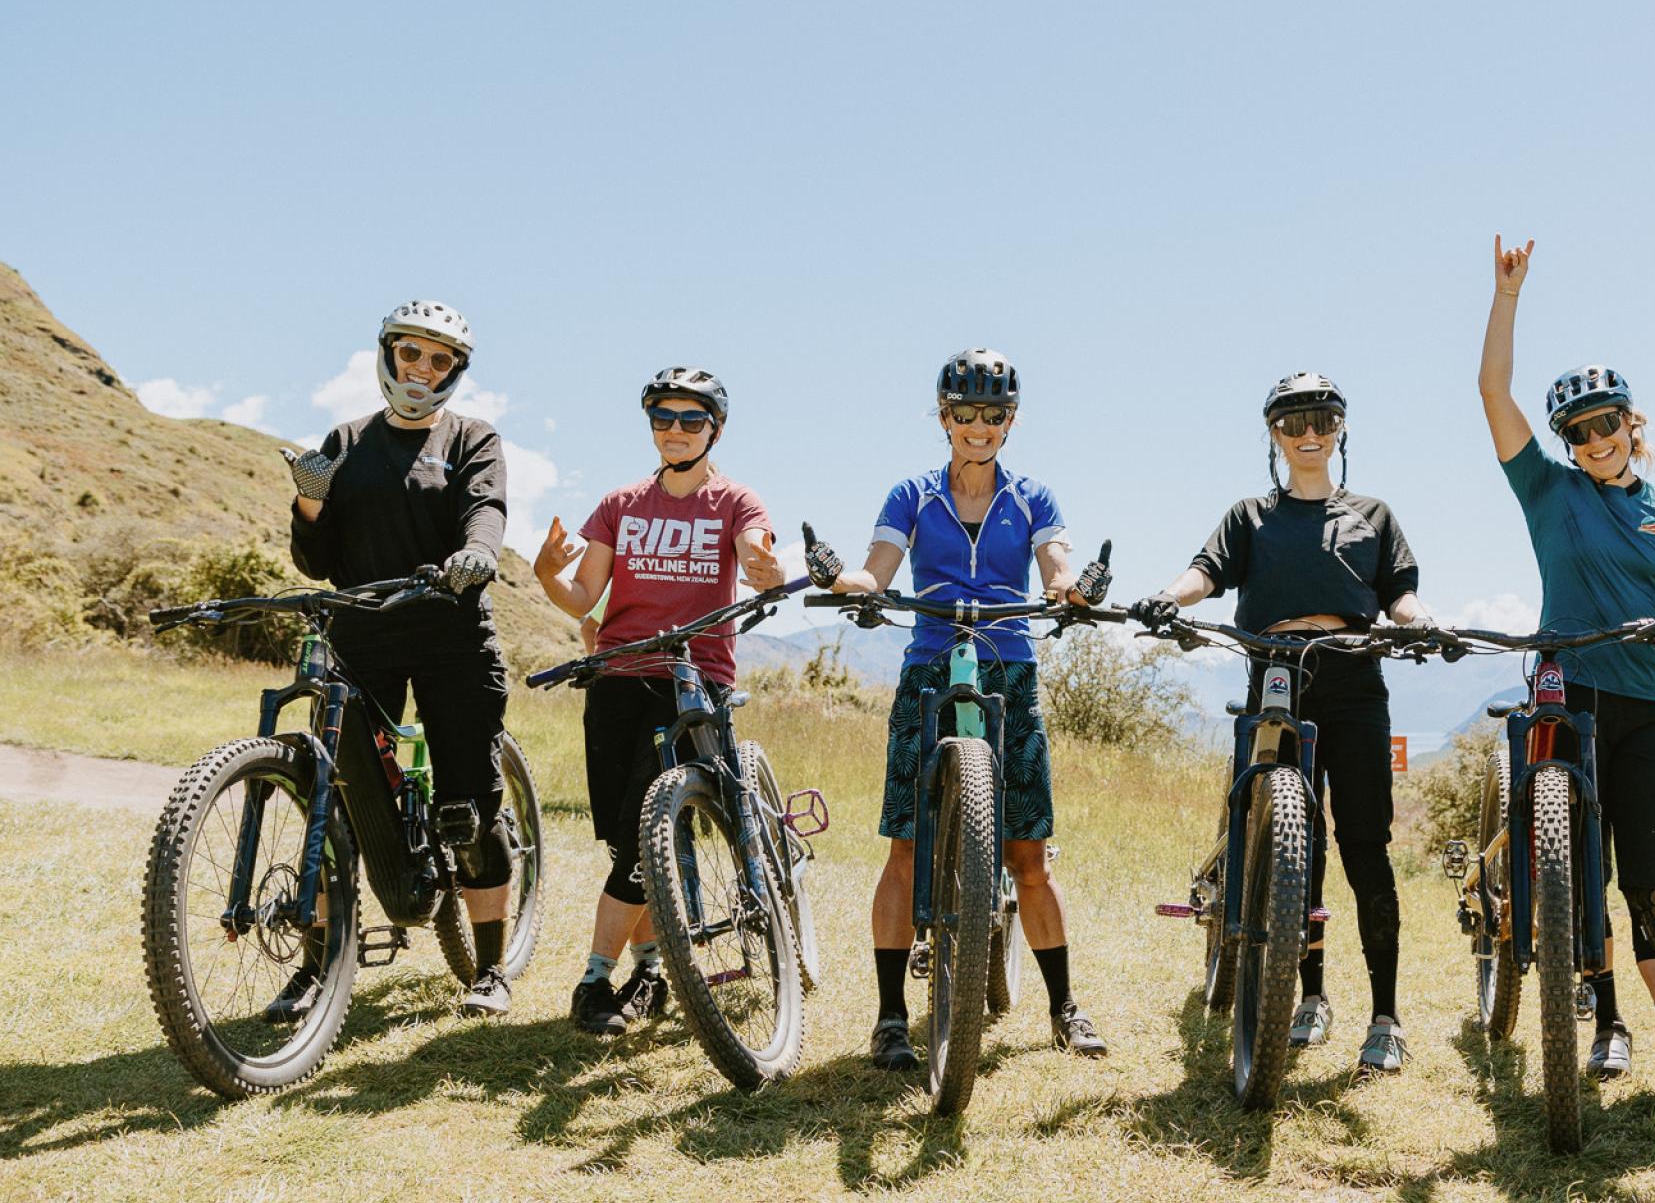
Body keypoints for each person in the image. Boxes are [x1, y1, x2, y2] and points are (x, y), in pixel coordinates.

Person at [1477, 238, 1655, 1110]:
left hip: (1650, 707)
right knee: (1575, 873)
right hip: (1569, 693)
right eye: (1578, 431)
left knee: (1652, 890)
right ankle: (1607, 1023)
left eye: (1606, 423)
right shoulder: (1549, 489)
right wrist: (1508, 297)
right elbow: (1492, 396)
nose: (1593, 439)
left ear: (1633, 422)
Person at [1130, 372, 1429, 1077]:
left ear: (1340, 427)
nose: (1308, 434)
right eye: (1292, 423)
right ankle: (1312, 999)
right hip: (1274, 676)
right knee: (1300, 844)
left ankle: (1385, 1016)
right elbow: (1205, 571)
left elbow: (1402, 595)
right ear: (1274, 435)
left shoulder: (1374, 515)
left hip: (1354, 676)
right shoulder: (1250, 516)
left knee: (1364, 845)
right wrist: (1168, 597)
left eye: (1321, 419)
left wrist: (1422, 624)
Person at [823, 348, 1111, 1069]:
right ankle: (891, 1019)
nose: (977, 427)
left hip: (1009, 666)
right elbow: (878, 567)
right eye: (963, 413)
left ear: (1009, 422)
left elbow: (1057, 567)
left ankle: (1062, 1007)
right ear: (944, 417)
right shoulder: (911, 496)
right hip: (929, 665)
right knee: (905, 848)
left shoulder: (1033, 498)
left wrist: (1075, 587)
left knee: (1029, 856)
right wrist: (844, 580)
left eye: (993, 415)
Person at [281, 300, 520, 1018]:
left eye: (438, 360)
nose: (422, 370)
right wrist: (310, 501)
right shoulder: (347, 440)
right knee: (339, 804)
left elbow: (487, 507)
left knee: (465, 805)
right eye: (410, 354)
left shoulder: (472, 437)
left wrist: (477, 552)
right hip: (364, 632)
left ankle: (489, 968)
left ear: (455, 372)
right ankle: (316, 969)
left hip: (451, 630)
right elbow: (316, 561)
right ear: (387, 356)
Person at [533, 368, 781, 1037]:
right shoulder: (620, 504)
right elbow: (583, 598)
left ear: (715, 429)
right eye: (662, 418)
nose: (675, 430)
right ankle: (650, 972)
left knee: (647, 832)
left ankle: (592, 982)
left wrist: (762, 567)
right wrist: (545, 573)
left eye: (690, 420)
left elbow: (759, 556)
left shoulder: (734, 501)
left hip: (691, 681)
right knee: (627, 839)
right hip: (616, 678)